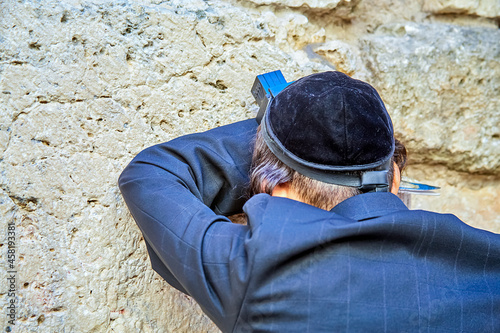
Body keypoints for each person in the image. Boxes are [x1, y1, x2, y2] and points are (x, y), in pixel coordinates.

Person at [119, 71, 500, 332]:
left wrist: (274, 133)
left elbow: (152, 174)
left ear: (275, 188)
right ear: (396, 178)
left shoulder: (257, 270)